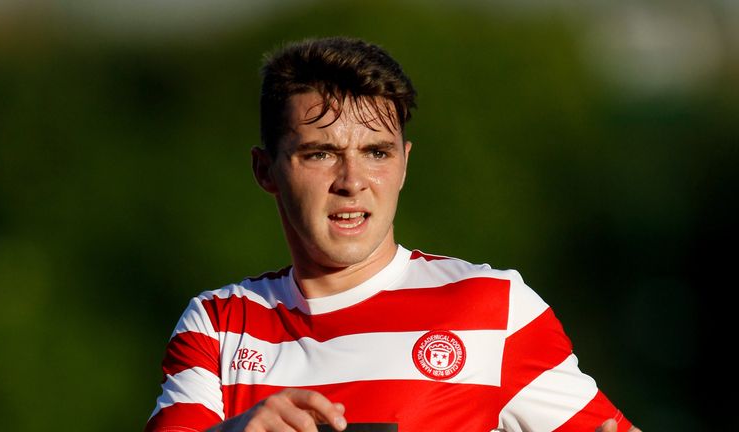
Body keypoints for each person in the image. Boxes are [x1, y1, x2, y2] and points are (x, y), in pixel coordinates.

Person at [144, 36, 641, 432]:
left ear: (405, 164)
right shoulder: (218, 324)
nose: (352, 181)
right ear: (265, 170)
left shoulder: (496, 308)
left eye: (376, 153)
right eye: (320, 153)